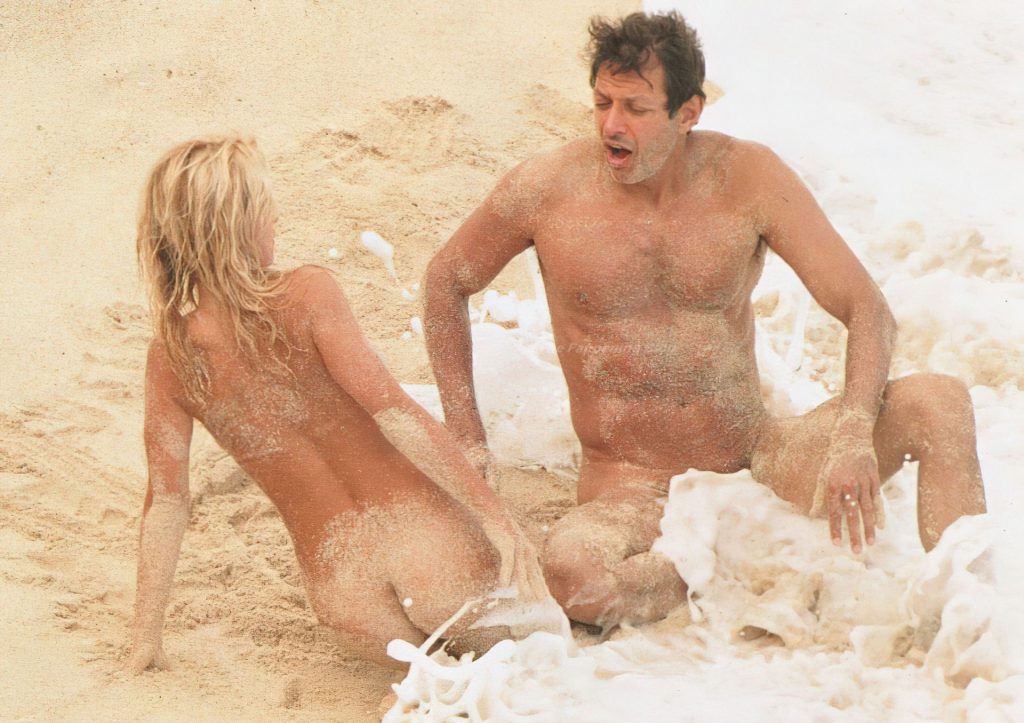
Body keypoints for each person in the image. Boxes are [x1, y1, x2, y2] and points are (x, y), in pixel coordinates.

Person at [422, 11, 986, 630]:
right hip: (632, 488)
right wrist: (467, 440)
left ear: (688, 112)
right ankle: (710, 567)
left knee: (939, 403)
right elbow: (447, 280)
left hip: (758, 458)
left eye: (636, 108)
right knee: (575, 578)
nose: (611, 125)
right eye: (603, 102)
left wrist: (853, 436)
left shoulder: (748, 179)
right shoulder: (546, 190)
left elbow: (866, 307)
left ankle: (969, 626)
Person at [127, 135, 552, 674]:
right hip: (427, 547)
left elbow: (166, 504)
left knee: (436, 689)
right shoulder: (306, 294)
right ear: (235, 227)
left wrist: (146, 637)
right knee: (534, 666)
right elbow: (395, 413)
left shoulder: (171, 359)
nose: (275, 220)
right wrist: (497, 520)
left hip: (344, 591)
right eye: (265, 210)